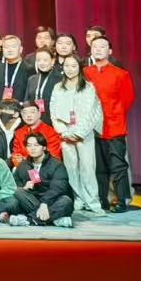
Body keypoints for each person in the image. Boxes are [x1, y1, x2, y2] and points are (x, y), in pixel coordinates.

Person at [83, 35, 135, 212]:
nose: (98, 49)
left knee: (118, 165)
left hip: (114, 126)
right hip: (92, 127)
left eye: (102, 46)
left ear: (110, 51)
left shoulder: (120, 74)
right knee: (99, 167)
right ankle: (102, 200)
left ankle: (122, 199)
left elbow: (127, 99)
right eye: (95, 46)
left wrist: (113, 114)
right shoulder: (85, 73)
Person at [50, 54, 105, 215]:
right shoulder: (58, 88)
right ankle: (79, 199)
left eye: (73, 66)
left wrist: (79, 132)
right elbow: (53, 111)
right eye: (67, 66)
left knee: (87, 167)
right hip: (65, 133)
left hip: (84, 133)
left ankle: (93, 202)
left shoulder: (88, 87)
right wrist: (63, 131)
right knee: (71, 168)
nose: (70, 69)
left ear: (79, 67)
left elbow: (91, 113)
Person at [8, 132, 74, 228]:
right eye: (29, 145)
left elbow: (58, 188)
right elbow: (14, 185)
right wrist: (24, 187)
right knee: (17, 191)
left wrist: (44, 203)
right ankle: (54, 220)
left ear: (44, 147)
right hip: (33, 201)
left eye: (36, 145)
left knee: (66, 201)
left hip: (52, 201)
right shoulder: (23, 165)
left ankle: (28, 220)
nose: (32, 148)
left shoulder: (56, 165)